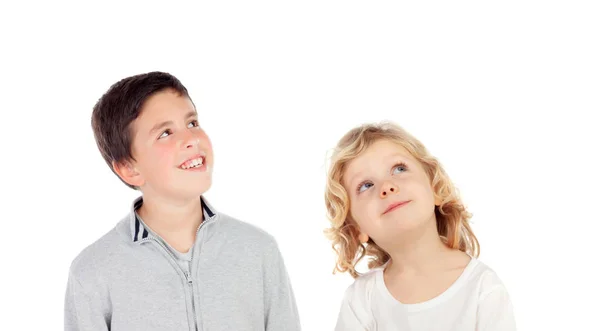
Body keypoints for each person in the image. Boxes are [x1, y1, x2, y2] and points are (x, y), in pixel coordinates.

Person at [64, 71, 301, 331]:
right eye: (165, 133)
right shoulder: (92, 272)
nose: (191, 139)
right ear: (129, 169)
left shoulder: (259, 251)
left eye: (192, 123)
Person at [324, 121, 515, 330]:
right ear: (355, 229)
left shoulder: (483, 288)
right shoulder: (362, 299)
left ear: (435, 188)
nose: (386, 187)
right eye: (366, 185)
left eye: (399, 168)